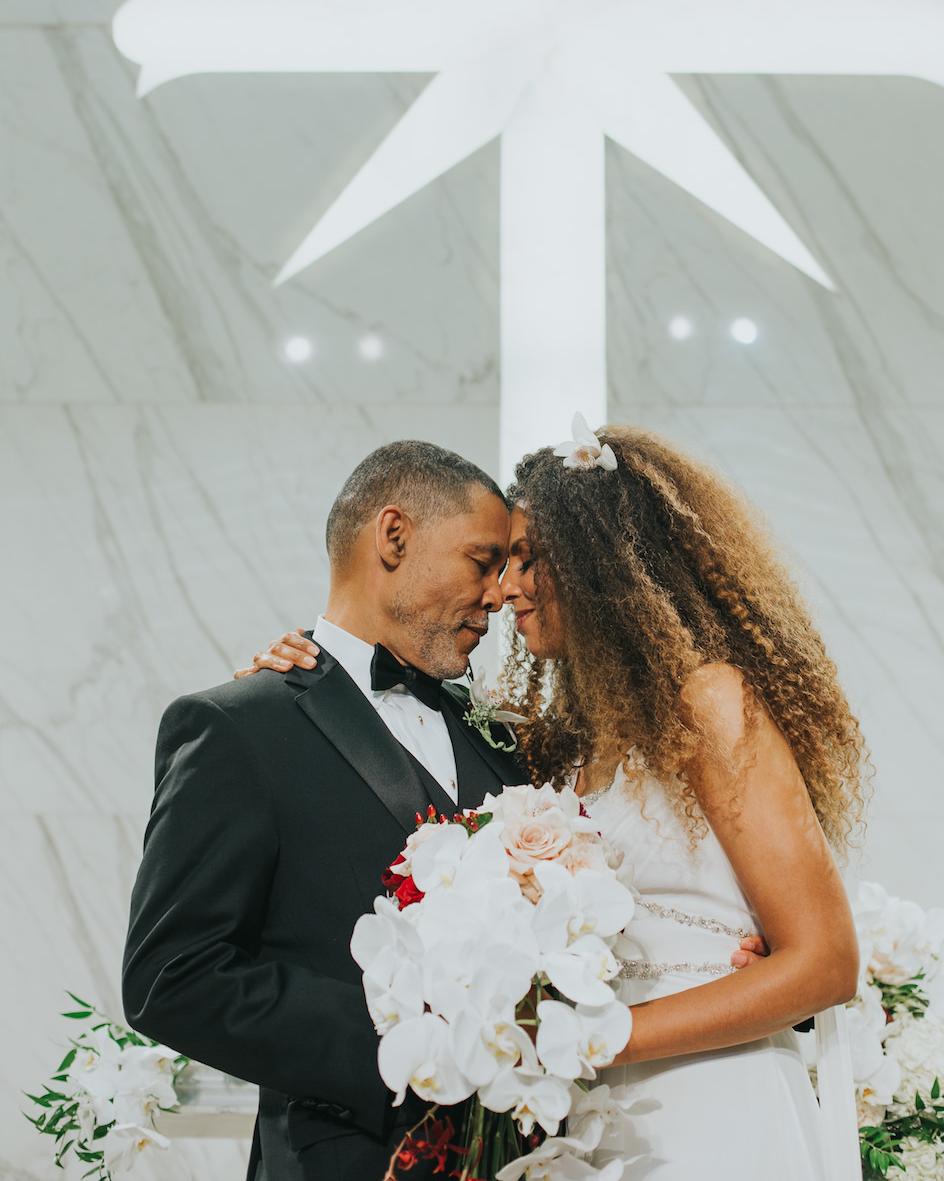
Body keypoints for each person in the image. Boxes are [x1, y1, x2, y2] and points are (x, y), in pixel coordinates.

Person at [256, 422, 865, 1180]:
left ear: (601, 561)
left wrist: (599, 1038)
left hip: (710, 1098)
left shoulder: (710, 702)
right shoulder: (555, 745)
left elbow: (828, 963)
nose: (503, 590)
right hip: (580, 1120)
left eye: (525, 559)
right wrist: (310, 675)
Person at [122, 440, 525, 1181]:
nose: (499, 595)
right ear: (394, 536)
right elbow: (171, 976)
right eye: (483, 561)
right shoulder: (237, 726)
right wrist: (405, 1046)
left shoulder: (500, 736)